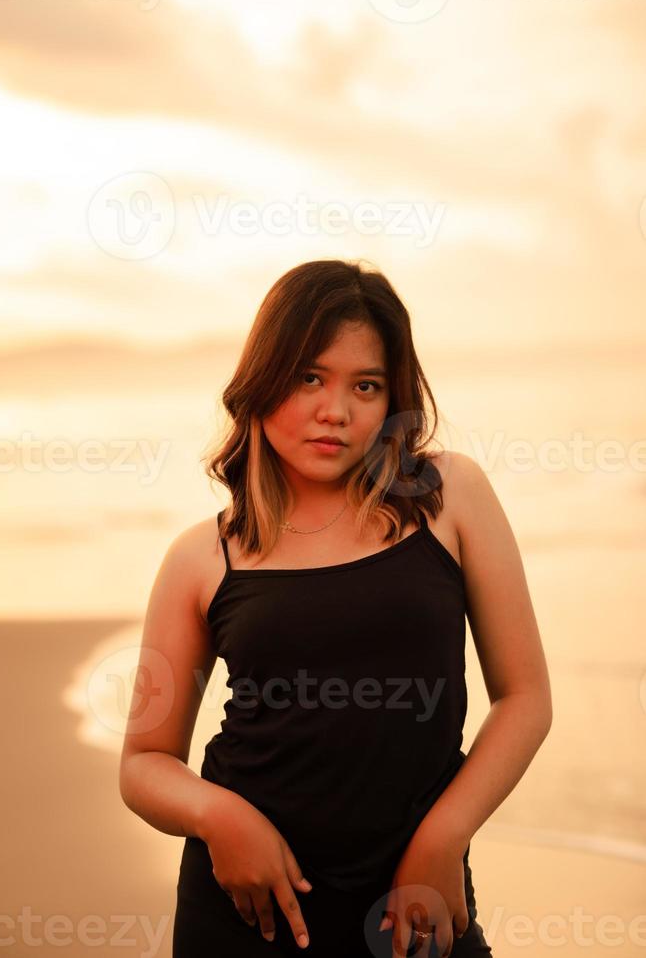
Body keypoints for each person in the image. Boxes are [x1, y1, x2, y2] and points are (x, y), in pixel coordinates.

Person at [119, 259, 553, 958]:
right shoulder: (203, 558)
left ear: (393, 401)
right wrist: (221, 817)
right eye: (309, 376)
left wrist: (444, 838)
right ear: (263, 379)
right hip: (246, 911)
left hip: (417, 906)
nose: (337, 410)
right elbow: (143, 762)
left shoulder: (447, 498)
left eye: (367, 386)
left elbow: (527, 698)